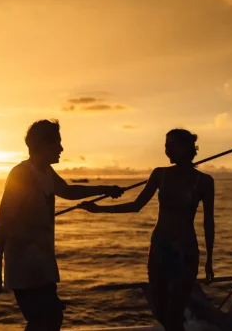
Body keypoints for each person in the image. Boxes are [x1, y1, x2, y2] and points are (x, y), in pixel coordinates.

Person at [0, 119, 123, 331]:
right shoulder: (21, 174)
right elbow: (3, 221)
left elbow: (68, 191)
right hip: (24, 264)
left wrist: (106, 189)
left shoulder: (46, 172)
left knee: (50, 318)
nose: (61, 148)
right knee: (46, 319)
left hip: (42, 262)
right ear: (42, 145)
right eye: (56, 143)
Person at [80, 128, 215, 331]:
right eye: (165, 146)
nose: (167, 150)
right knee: (160, 309)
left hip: (185, 250)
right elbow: (136, 205)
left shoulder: (204, 181)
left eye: (172, 146)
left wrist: (209, 260)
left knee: (175, 312)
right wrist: (98, 210)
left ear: (187, 147)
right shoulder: (160, 174)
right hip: (160, 247)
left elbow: (208, 222)